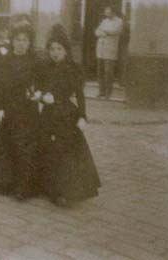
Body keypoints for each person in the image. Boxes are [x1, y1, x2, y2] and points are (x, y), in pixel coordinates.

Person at [38, 25, 101, 207]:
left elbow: (80, 95)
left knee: (66, 152)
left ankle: (66, 190)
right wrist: (43, 97)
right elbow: (41, 91)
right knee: (49, 150)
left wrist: (82, 116)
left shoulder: (73, 69)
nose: (55, 53)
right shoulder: (46, 68)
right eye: (52, 49)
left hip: (66, 114)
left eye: (59, 49)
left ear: (65, 50)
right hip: (49, 115)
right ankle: (50, 188)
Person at [0, 25, 42, 198]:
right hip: (9, 108)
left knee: (25, 146)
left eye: (25, 40)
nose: (21, 43)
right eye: (18, 39)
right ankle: (5, 181)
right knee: (6, 143)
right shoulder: (5, 61)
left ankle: (24, 186)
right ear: (12, 41)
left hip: (27, 109)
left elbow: (41, 82)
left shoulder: (35, 62)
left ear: (29, 42)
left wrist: (38, 92)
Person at [95, 6, 123, 99]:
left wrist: (104, 31)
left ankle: (108, 93)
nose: (106, 14)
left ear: (113, 12)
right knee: (100, 72)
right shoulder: (104, 21)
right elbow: (96, 32)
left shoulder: (119, 21)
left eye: (108, 12)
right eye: (106, 12)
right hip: (101, 50)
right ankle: (101, 92)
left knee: (108, 72)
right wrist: (104, 33)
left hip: (110, 50)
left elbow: (115, 31)